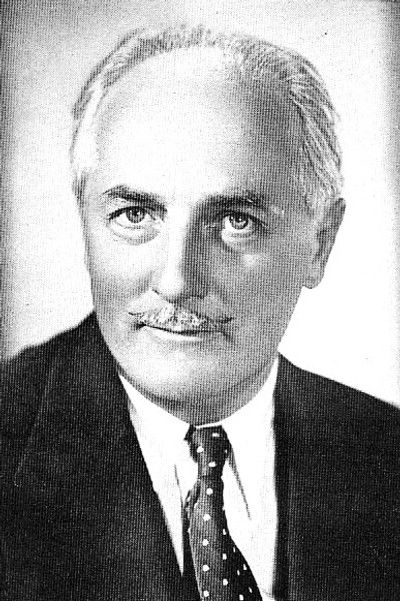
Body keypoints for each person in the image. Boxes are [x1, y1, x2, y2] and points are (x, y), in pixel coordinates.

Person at [1, 24, 399, 601]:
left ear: (319, 243)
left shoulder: (385, 455)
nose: (176, 281)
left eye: (236, 221)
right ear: (84, 223)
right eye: (135, 215)